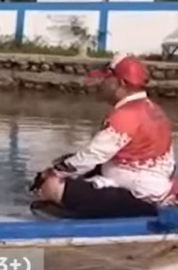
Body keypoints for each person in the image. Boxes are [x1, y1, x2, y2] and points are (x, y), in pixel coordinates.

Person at [34, 55, 174, 219]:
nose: (101, 84)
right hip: (153, 185)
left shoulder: (125, 115)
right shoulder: (154, 110)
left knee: (51, 185)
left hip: (139, 194)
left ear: (120, 83)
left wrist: (53, 172)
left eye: (106, 79)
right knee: (70, 163)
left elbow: (94, 155)